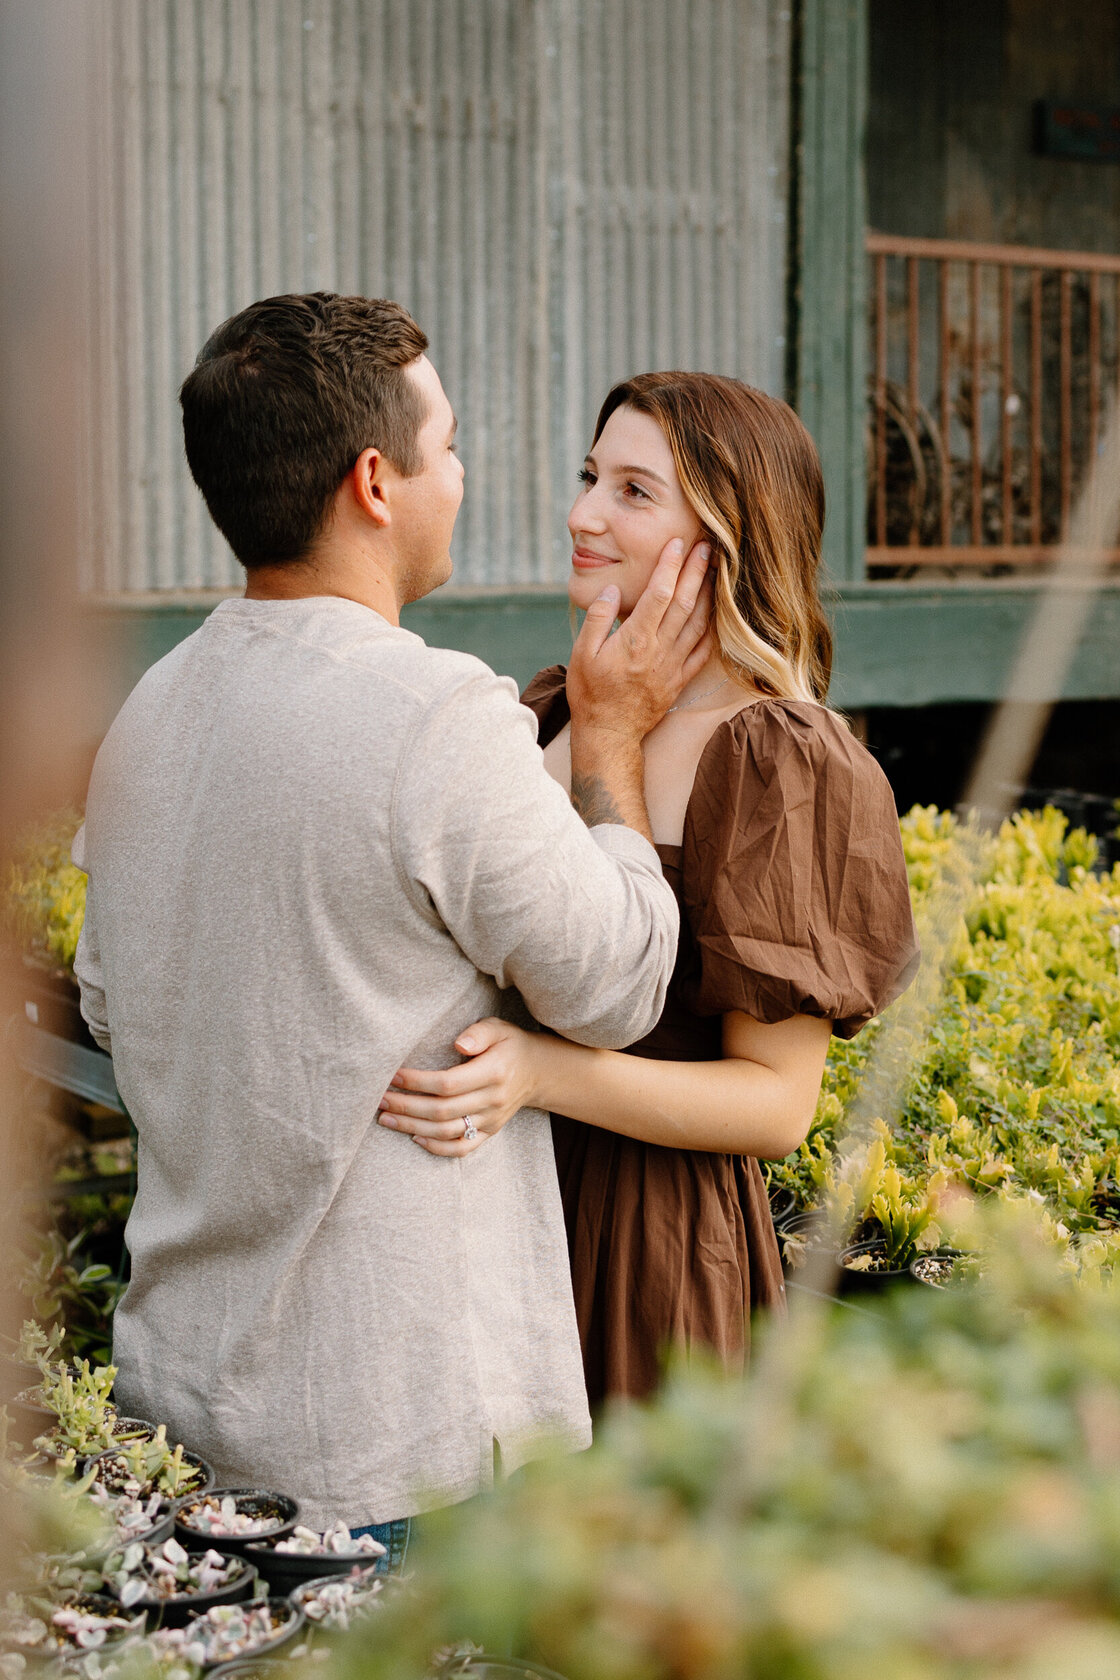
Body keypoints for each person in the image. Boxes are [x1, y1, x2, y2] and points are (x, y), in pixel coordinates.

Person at [72, 298, 715, 1557]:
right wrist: (618, 742)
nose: (467, 479)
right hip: (395, 1436)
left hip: (182, 1399)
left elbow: (108, 999)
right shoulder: (436, 715)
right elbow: (622, 985)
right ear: (377, 481)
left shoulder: (148, 711)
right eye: (455, 444)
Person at [377, 371, 920, 1404]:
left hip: (643, 1241)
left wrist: (543, 1075)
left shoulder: (782, 760)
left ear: (726, 533)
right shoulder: (548, 707)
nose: (582, 514)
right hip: (477, 1216)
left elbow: (775, 1106)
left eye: (634, 491)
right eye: (591, 477)